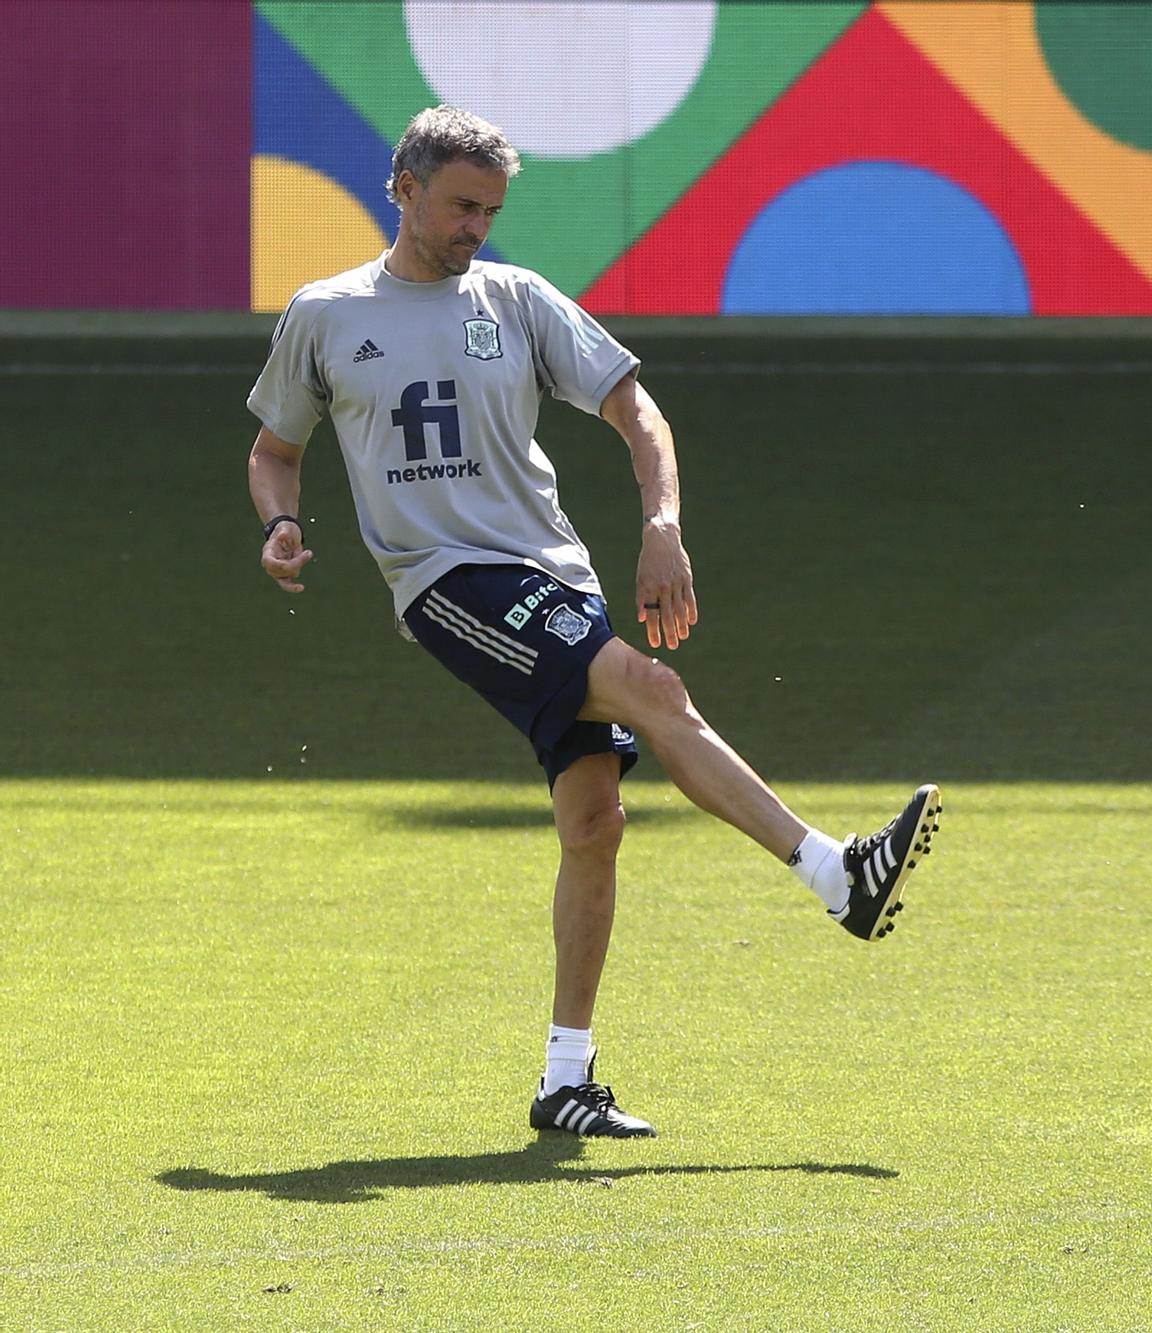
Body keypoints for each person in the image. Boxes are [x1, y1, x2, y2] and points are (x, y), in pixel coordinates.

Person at [245, 106, 940, 1139]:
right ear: (402, 188)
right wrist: (282, 524)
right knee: (655, 690)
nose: (476, 225)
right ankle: (836, 873)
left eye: (490, 209)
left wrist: (661, 523)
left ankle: (564, 1079)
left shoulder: (517, 300)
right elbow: (275, 449)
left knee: (595, 825)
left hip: (552, 578)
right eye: (459, 205)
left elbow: (634, 408)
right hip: (447, 583)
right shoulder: (327, 313)